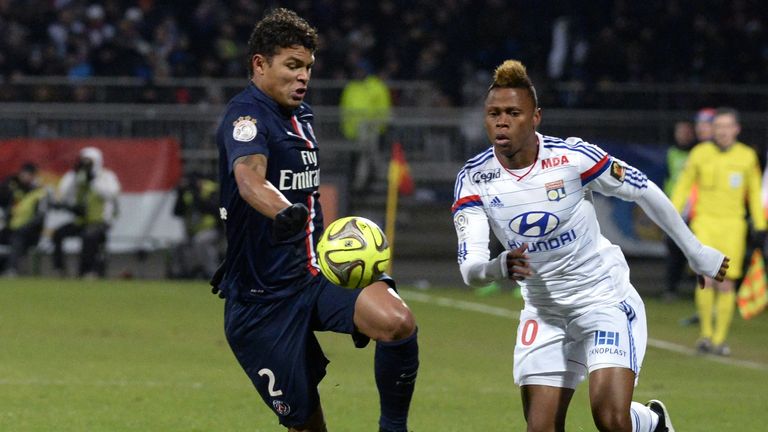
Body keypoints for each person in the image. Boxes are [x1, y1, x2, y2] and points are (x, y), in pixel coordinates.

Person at [451, 59, 728, 432]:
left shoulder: (573, 159)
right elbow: (471, 269)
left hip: (603, 300)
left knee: (611, 420)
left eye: (513, 112)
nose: (501, 121)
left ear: (535, 117)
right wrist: (497, 267)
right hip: (544, 312)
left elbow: (643, 189)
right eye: (494, 113)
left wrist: (695, 252)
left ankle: (651, 422)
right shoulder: (474, 178)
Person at [211, 9, 418, 432]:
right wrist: (282, 210)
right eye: (292, 66)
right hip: (261, 302)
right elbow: (249, 178)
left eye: (307, 67)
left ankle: (393, 429)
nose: (303, 77)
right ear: (259, 64)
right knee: (307, 426)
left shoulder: (303, 116)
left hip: (316, 274)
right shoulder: (246, 118)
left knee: (397, 323)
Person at [671, 107, 765, 356]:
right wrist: (671, 215)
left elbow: (754, 193)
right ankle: (705, 335)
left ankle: (720, 340)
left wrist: (761, 225)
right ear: (712, 129)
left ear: (736, 129)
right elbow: (683, 186)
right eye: (718, 126)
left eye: (727, 126)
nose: (723, 131)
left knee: (726, 283)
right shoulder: (700, 153)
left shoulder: (747, 157)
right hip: (704, 223)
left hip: (733, 225)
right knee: (705, 279)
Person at [52, 147, 121, 278]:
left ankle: (87, 271)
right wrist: (74, 175)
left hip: (100, 221)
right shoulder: (77, 176)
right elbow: (63, 193)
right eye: (83, 161)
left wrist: (93, 181)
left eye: (89, 161)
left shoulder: (106, 176)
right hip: (81, 220)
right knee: (58, 234)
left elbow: (112, 194)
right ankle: (59, 268)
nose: (86, 164)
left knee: (88, 236)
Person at [339, 61, 392, 192]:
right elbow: (344, 108)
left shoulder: (377, 86)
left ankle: (362, 184)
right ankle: (376, 180)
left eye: (360, 70)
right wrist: (346, 128)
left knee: (366, 155)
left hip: (371, 129)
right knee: (368, 156)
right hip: (353, 131)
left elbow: (383, 108)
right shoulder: (351, 87)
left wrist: (381, 127)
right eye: (357, 70)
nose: (358, 73)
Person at [661, 120, 697, 300]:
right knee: (673, 248)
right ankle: (671, 288)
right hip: (675, 207)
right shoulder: (671, 153)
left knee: (695, 247)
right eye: (679, 132)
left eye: (686, 132)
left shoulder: (698, 153)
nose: (682, 135)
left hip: (696, 208)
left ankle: (700, 289)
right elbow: (667, 178)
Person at [0, 163, 50, 276]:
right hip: (12, 229)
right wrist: (6, 184)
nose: (25, 176)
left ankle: (11, 270)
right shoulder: (14, 189)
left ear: (33, 176)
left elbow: (40, 217)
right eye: (23, 174)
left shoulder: (39, 192)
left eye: (28, 174)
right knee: (11, 235)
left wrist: (24, 228)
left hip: (31, 233)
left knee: (17, 239)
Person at [170, 171, 221, 279]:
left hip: (213, 229)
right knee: (178, 245)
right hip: (193, 231)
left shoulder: (211, 189)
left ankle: (213, 273)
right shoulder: (188, 193)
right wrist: (180, 193)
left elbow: (213, 209)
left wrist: (196, 193)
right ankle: (183, 274)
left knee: (201, 241)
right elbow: (177, 212)